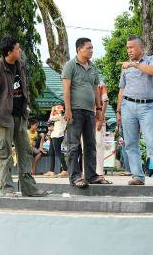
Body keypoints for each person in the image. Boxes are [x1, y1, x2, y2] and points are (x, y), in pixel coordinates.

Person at [0, 35, 49, 197]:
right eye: (17, 48)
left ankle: (28, 188)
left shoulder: (21, 65)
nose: (20, 51)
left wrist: (26, 107)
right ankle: (6, 188)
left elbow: (24, 87)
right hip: (2, 118)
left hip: (20, 116)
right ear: (9, 51)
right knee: (4, 153)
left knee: (25, 151)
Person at [116, 36, 153, 186]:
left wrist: (134, 65)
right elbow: (122, 89)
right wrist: (118, 110)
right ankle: (138, 176)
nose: (129, 50)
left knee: (152, 141)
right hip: (128, 106)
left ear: (141, 48)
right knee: (130, 143)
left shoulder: (152, 60)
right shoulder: (125, 66)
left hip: (147, 107)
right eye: (127, 48)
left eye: (132, 47)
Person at [62, 37, 112, 188]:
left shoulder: (93, 67)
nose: (91, 50)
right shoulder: (70, 66)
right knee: (73, 145)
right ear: (79, 49)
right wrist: (68, 110)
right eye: (88, 48)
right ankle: (75, 176)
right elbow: (66, 89)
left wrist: (98, 109)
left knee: (90, 144)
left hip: (89, 111)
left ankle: (91, 175)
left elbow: (96, 89)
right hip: (75, 111)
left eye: (92, 48)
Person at [45, 105, 68, 178]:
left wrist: (52, 110)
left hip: (57, 136)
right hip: (54, 135)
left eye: (57, 110)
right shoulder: (59, 116)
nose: (56, 111)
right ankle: (51, 171)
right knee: (51, 153)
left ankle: (65, 169)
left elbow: (50, 119)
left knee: (58, 153)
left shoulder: (60, 116)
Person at [95, 80, 109, 177]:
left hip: (97, 119)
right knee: (85, 147)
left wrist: (101, 119)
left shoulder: (101, 84)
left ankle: (99, 172)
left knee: (99, 145)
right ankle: (86, 172)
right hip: (85, 118)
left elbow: (105, 101)